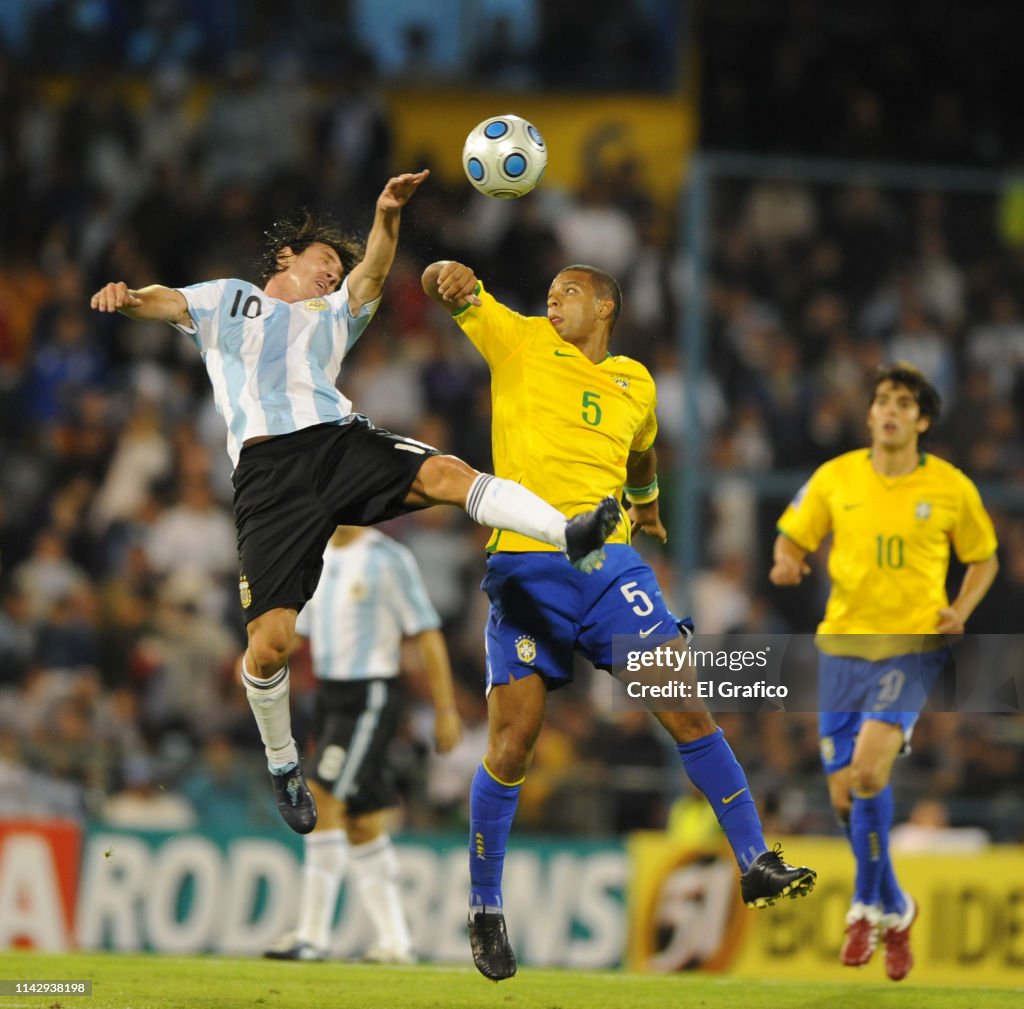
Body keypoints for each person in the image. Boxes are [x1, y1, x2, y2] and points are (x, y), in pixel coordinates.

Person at [89, 171, 621, 837]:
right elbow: (164, 303)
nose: (331, 272)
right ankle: (284, 763)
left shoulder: (333, 313)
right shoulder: (230, 301)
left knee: (448, 474)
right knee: (271, 646)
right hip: (268, 473)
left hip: (337, 441)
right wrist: (127, 295)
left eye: (335, 266)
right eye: (322, 260)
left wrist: (387, 214)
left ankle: (567, 531)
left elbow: (372, 270)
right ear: (285, 257)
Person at [421, 259, 816, 982]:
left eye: (568, 291)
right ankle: (484, 906)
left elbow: (641, 453)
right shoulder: (520, 340)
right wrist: (443, 275)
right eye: (550, 292)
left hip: (611, 568)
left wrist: (652, 504)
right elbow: (454, 290)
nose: (553, 300)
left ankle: (756, 858)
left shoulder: (638, 381)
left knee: (688, 710)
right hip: (527, 565)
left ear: (605, 306)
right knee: (512, 743)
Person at [770, 362, 998, 981]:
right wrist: (788, 561)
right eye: (882, 400)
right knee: (846, 795)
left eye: (903, 402)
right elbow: (792, 536)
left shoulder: (951, 487)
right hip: (841, 649)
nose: (890, 410)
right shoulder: (835, 476)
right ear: (870, 414)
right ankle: (899, 906)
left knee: (869, 770)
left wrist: (962, 609)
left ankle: (866, 905)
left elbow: (984, 559)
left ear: (921, 420)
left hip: (911, 648)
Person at [265, 525, 461, 963]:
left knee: (322, 796)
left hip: (370, 694)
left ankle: (312, 936)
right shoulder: (316, 554)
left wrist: (446, 709)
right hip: (331, 699)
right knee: (361, 821)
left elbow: (427, 631)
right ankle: (396, 942)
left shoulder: (387, 557)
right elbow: (301, 632)